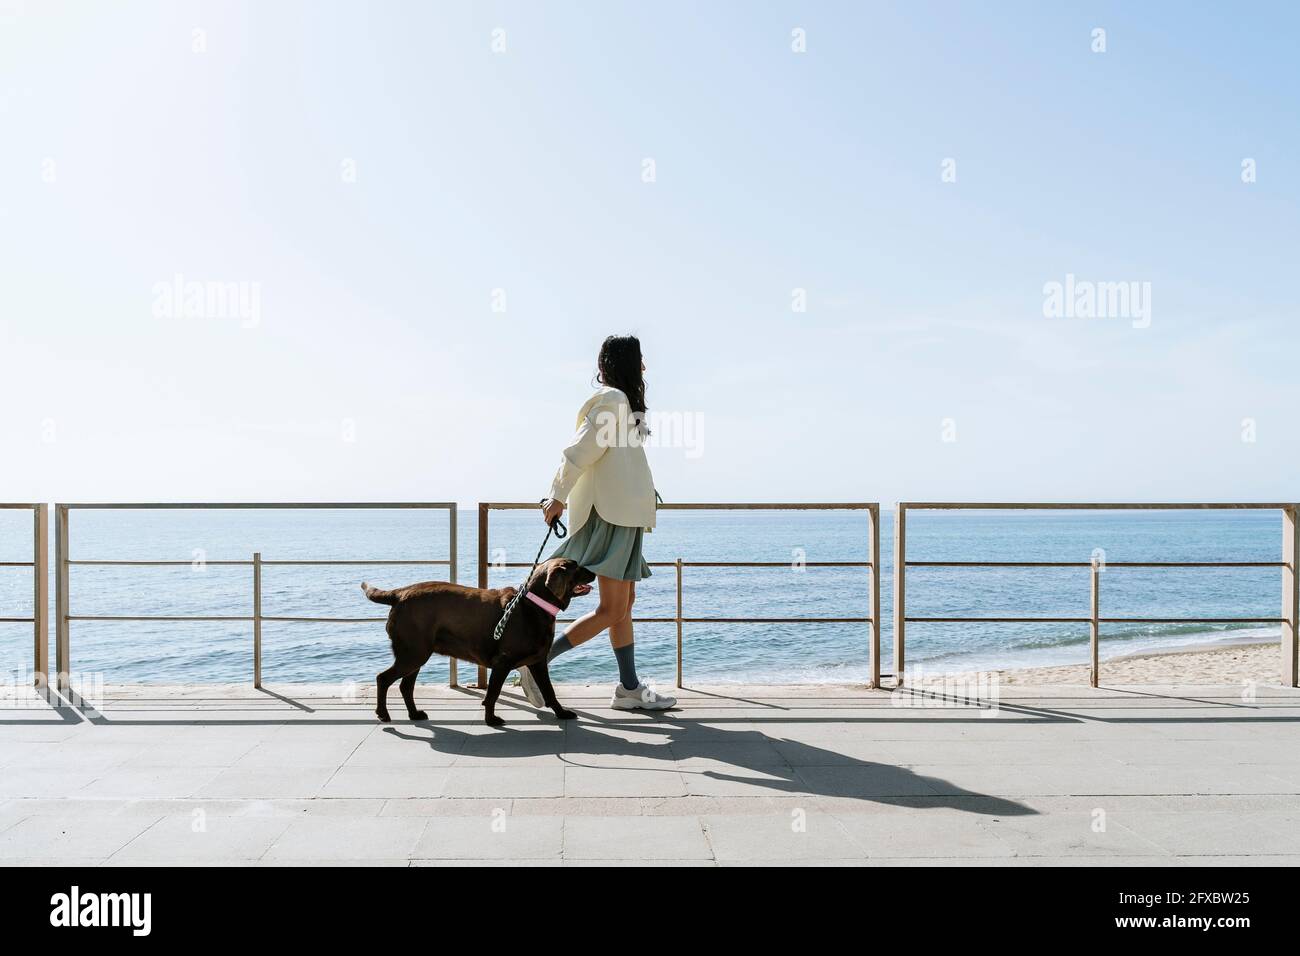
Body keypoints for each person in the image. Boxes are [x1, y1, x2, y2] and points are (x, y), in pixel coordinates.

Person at [519, 334, 676, 710]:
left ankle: (628, 688)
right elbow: (582, 450)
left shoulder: (623, 405)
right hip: (611, 517)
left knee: (624, 606)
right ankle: (537, 659)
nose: (644, 367)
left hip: (623, 517)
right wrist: (557, 495)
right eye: (640, 359)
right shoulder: (614, 400)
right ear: (627, 363)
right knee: (612, 609)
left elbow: (618, 463)